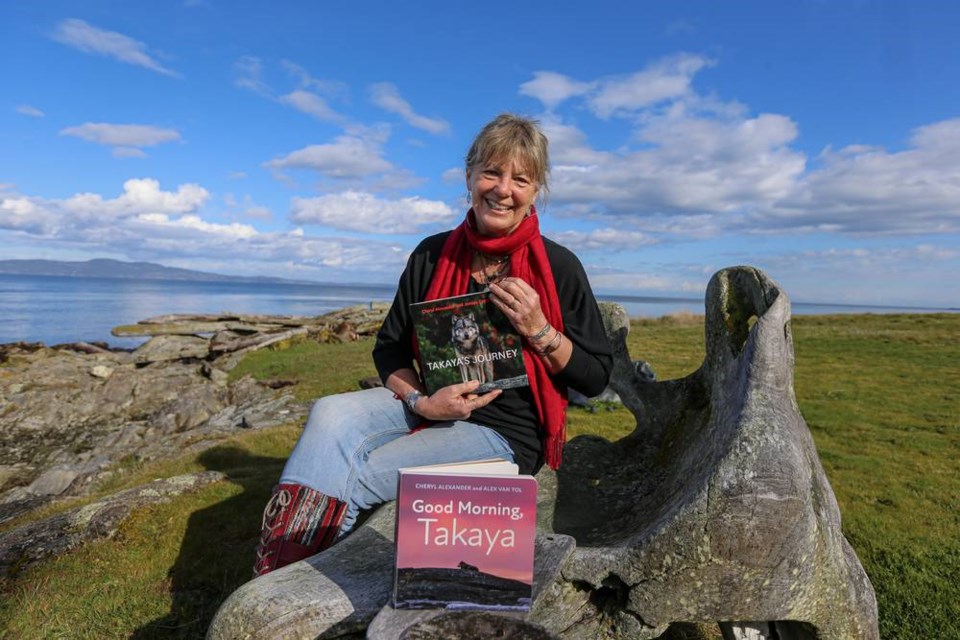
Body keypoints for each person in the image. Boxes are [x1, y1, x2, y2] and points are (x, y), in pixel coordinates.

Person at [253, 113, 613, 577]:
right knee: (330, 413)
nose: (503, 189)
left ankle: (288, 580)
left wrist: (539, 327)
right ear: (469, 176)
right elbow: (389, 350)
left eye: (520, 179)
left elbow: (596, 376)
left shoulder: (559, 266)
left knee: (358, 472)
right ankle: (281, 573)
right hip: (433, 399)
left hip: (508, 432)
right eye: (491, 172)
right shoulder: (430, 254)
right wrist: (423, 402)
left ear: (535, 190)